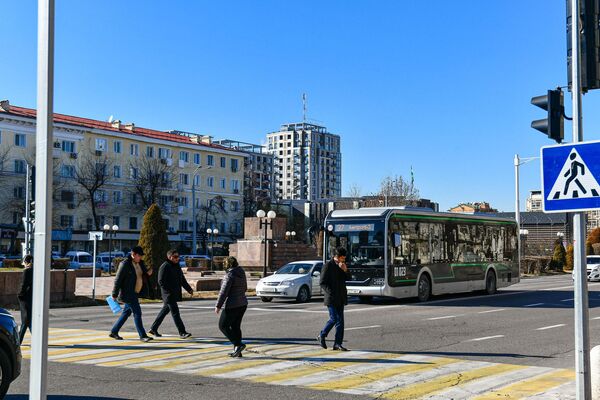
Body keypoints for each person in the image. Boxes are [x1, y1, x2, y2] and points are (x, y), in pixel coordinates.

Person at [110, 246, 153, 342]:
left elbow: (142, 275)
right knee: (137, 313)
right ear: (133, 255)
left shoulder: (140, 263)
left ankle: (114, 331)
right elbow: (118, 280)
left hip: (136, 292)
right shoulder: (125, 264)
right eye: (139, 255)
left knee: (126, 313)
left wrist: (148, 273)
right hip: (128, 293)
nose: (141, 257)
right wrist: (114, 293)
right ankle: (142, 335)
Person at [149, 249, 194, 339]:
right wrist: (168, 292)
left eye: (178, 257)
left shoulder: (176, 266)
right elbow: (160, 281)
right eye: (175, 257)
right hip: (168, 295)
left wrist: (189, 289)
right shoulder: (165, 266)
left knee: (164, 311)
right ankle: (182, 332)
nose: (177, 259)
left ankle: (153, 328)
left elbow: (182, 280)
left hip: (173, 294)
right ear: (169, 257)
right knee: (175, 313)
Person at [317, 247, 351, 351]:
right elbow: (322, 282)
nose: (344, 259)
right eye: (343, 257)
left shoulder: (342, 265)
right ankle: (322, 335)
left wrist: (345, 270)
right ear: (337, 256)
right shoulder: (328, 265)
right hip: (331, 298)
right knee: (334, 319)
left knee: (340, 322)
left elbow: (348, 278)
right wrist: (330, 292)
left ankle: (337, 344)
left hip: (340, 297)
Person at [215, 256, 248, 357]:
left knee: (223, 326)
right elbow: (245, 288)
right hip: (242, 303)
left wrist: (218, 305)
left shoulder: (229, 275)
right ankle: (238, 351)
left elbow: (223, 292)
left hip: (232, 305)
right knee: (235, 327)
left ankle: (238, 345)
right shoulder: (241, 273)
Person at [17, 254, 34, 344]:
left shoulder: (27, 271)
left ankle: (19, 341)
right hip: (32, 298)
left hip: (25, 298)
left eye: (23, 262)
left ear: (26, 262)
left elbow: (23, 285)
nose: (23, 263)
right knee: (29, 320)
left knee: (25, 320)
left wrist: (19, 295)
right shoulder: (35, 271)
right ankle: (37, 339)